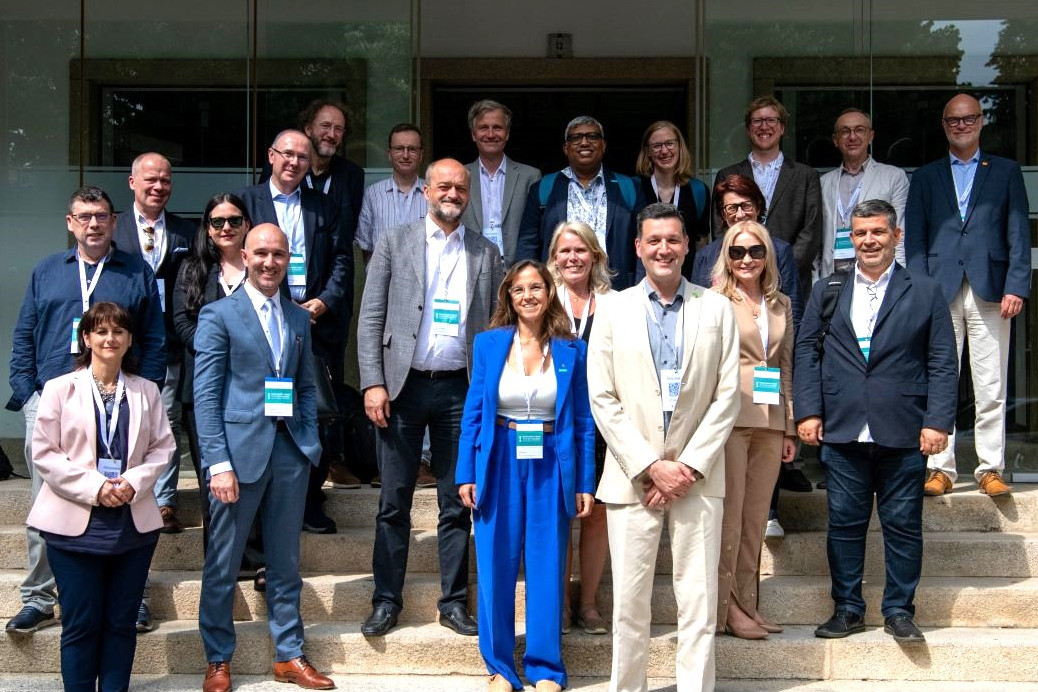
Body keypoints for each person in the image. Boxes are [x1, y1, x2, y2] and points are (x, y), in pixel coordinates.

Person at [588, 203, 740, 692]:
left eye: (673, 240)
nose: (664, 249)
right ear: (637, 247)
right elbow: (602, 396)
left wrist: (687, 467)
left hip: (698, 478)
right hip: (633, 479)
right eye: (653, 240)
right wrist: (652, 466)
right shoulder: (612, 308)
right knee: (630, 603)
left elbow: (728, 394)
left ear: (688, 244)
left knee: (698, 599)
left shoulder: (716, 308)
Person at [6, 185, 166, 636]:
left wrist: (146, 391)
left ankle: (129, 598)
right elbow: (25, 334)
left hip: (120, 399)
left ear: (114, 221)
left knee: (126, 495)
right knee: (49, 501)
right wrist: (28, 389)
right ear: (70, 223)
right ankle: (39, 597)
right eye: (83, 216)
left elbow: (153, 336)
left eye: (101, 216)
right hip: (55, 401)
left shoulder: (135, 271)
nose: (93, 224)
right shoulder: (47, 271)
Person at [795, 199, 957, 642]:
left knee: (903, 525)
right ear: (851, 238)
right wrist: (807, 411)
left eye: (878, 232)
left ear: (896, 236)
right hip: (843, 428)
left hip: (904, 428)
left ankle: (899, 611)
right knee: (844, 525)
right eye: (860, 233)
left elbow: (942, 360)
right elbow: (806, 351)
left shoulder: (924, 290)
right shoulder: (828, 289)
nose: (869, 241)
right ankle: (847, 608)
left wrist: (938, 420)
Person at [357, 158, 505, 638]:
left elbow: (493, 328)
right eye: (443, 185)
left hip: (459, 391)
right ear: (426, 190)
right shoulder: (394, 242)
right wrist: (372, 382)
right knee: (393, 502)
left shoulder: (486, 252)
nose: (453, 194)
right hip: (402, 388)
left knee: (455, 500)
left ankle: (454, 601)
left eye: (461, 188)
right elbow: (370, 317)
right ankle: (386, 600)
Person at [194, 224, 334, 692]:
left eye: (279, 254)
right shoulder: (218, 315)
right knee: (223, 562)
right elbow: (206, 397)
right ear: (244, 255)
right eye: (261, 253)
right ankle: (217, 658)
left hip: (290, 451)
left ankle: (288, 655)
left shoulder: (296, 318)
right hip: (237, 457)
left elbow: (307, 386)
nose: (270, 262)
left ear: (288, 259)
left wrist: (308, 443)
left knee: (285, 560)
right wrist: (217, 463)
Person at [456, 260, 595, 692]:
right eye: (519, 290)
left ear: (549, 293)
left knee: (547, 564)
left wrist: (584, 482)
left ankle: (545, 668)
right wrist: (466, 473)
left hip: (552, 459)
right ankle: (498, 667)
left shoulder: (572, 350)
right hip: (498, 457)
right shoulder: (489, 344)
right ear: (508, 297)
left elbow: (585, 422)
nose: (528, 296)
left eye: (536, 287)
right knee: (495, 563)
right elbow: (474, 414)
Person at [27, 301, 174, 692]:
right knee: (80, 624)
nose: (110, 338)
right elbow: (45, 453)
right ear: (87, 338)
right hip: (73, 525)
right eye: (102, 331)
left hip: (131, 524)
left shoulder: (147, 391)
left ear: (129, 340)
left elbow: (163, 448)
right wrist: (96, 488)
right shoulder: (60, 389)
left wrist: (131, 482)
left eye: (119, 331)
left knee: (121, 624)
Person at [906, 93, 1031, 498]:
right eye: (954, 120)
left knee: (991, 382)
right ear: (944, 126)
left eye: (969, 119)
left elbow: (1018, 232)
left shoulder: (1006, 171)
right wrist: (920, 290)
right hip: (938, 291)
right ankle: (940, 469)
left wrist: (1016, 285)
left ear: (980, 123)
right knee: (940, 379)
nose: (962, 125)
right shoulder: (925, 177)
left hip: (991, 290)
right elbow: (917, 240)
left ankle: (990, 467)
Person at [239, 128, 354, 534]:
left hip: (314, 321)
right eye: (286, 154)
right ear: (271, 155)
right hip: (264, 320)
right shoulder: (247, 201)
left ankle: (309, 499)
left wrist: (323, 301)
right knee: (263, 407)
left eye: (302, 158)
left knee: (316, 410)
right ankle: (262, 498)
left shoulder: (325, 205)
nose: (293, 163)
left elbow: (342, 259)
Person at [709, 220, 796, 639]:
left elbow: (786, 367)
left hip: (770, 422)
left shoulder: (782, 304)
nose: (747, 259)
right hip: (729, 421)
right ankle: (727, 609)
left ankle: (748, 603)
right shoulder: (713, 302)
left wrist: (791, 427)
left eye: (755, 251)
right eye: (737, 251)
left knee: (756, 519)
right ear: (726, 256)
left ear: (767, 256)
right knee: (730, 520)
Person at [112, 152, 195, 537]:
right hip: (121, 343)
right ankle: (119, 492)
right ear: (133, 183)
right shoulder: (113, 228)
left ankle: (164, 503)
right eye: (150, 179)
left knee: (167, 422)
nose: (158, 186)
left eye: (165, 180)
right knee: (120, 421)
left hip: (170, 342)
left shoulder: (185, 232)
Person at [545, 221, 615, 635]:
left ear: (595, 256)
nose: (573, 258)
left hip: (602, 423)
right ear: (554, 256)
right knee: (557, 514)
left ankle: (587, 603)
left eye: (581, 250)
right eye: (565, 250)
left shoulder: (615, 303)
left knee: (597, 516)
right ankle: (557, 604)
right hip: (552, 423)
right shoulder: (542, 299)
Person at [171, 193, 251, 557]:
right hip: (202, 385)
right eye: (217, 222)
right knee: (212, 477)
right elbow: (181, 322)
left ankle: (257, 557)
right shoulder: (192, 268)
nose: (226, 228)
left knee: (253, 471)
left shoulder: (260, 265)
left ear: (247, 224)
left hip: (252, 388)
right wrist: (217, 350)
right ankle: (220, 560)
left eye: (234, 220)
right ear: (207, 228)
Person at [517, 116, 645, 289]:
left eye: (592, 136)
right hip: (560, 290)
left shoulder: (628, 187)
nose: (584, 142)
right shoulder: (544, 187)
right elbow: (528, 243)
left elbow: (644, 240)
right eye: (576, 138)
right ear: (566, 148)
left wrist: (640, 286)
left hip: (616, 289)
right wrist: (531, 285)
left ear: (603, 145)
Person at [713, 96, 822, 300]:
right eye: (758, 121)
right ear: (748, 129)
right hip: (738, 281)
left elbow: (811, 233)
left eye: (771, 120)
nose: (765, 127)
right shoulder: (727, 175)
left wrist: (778, 267)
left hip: (790, 281)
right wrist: (743, 265)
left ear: (782, 128)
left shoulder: (806, 176)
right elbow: (720, 229)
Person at [692, 174, 801, 325]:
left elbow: (793, 310)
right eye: (732, 208)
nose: (740, 214)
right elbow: (697, 310)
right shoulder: (706, 256)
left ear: (757, 207)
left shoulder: (780, 251)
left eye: (746, 206)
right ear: (723, 214)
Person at [818, 108, 909, 279]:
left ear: (871, 136)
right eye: (845, 131)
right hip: (832, 276)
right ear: (835, 140)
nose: (852, 137)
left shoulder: (893, 177)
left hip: (878, 275)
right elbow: (817, 242)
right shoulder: (823, 183)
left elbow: (899, 234)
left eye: (860, 130)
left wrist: (899, 281)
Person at [460, 99, 542, 265]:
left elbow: (536, 232)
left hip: (516, 269)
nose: (490, 134)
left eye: (497, 127)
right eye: (483, 128)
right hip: (469, 266)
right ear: (473, 134)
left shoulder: (530, 176)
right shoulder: (459, 175)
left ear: (507, 133)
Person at [634, 120, 711, 278]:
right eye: (657, 146)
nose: (664, 151)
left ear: (679, 147)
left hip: (687, 280)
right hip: (643, 281)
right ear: (647, 151)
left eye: (670, 143)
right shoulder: (634, 188)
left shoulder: (698, 191)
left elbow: (701, 242)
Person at [356, 124, 428, 264]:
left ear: (421, 155)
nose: (405, 155)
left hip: (422, 283)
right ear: (389, 153)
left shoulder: (433, 195)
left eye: (412, 149)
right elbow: (364, 248)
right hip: (382, 282)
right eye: (399, 149)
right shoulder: (372, 195)